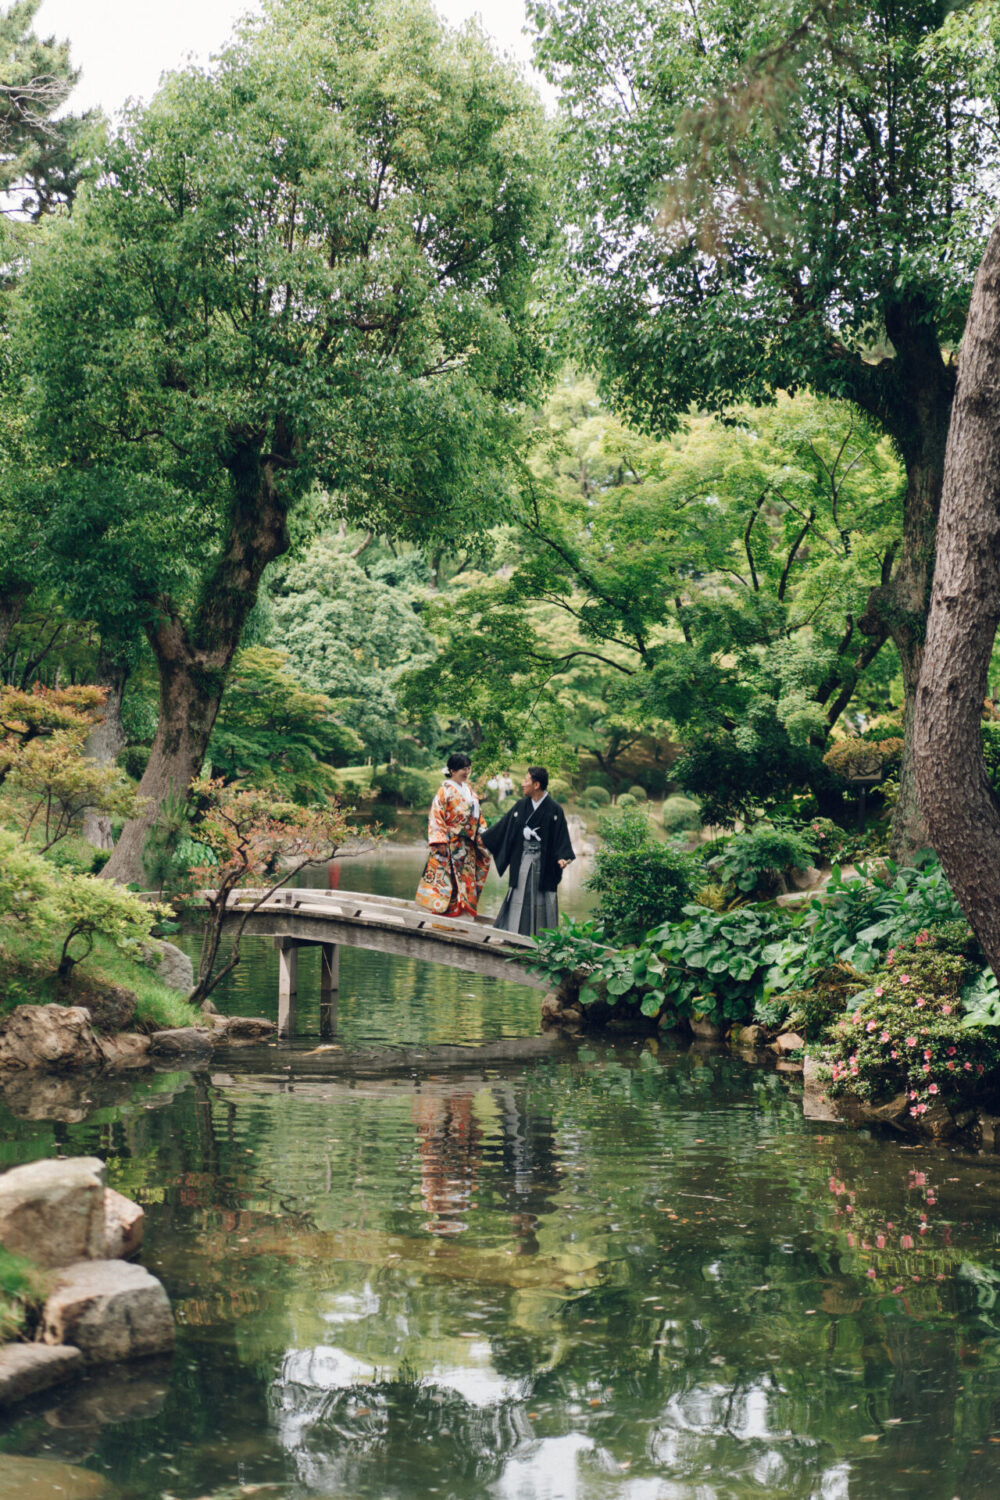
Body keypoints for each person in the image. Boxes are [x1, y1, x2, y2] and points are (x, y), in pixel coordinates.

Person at [481, 765, 574, 935]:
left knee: (542, 896)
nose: (523, 784)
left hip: (544, 863)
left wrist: (562, 856)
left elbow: (561, 837)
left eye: (526, 780)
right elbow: (504, 827)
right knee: (518, 894)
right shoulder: (521, 806)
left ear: (536, 785)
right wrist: (484, 840)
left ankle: (542, 937)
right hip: (523, 859)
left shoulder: (554, 810)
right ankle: (514, 934)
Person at [414, 753, 491, 918]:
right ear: (452, 770)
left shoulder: (469, 790)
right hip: (449, 844)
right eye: (463, 768)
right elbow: (436, 815)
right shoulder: (445, 790)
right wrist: (439, 840)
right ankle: (444, 920)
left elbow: (478, 817)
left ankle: (463, 918)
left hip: (467, 845)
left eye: (468, 768)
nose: (467, 771)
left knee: (466, 882)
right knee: (449, 883)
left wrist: (483, 834)